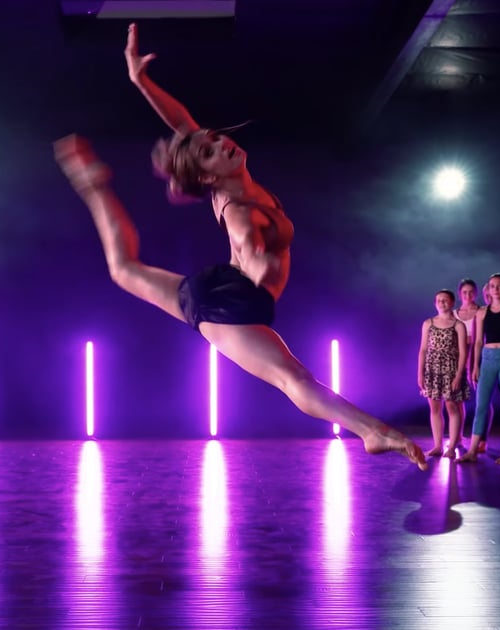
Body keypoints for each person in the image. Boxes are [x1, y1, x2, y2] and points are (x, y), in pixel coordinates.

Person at [52, 24, 427, 470]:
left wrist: (141, 80)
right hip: (233, 303)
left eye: (215, 138)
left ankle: (93, 187)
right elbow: (247, 243)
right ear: (208, 175)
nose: (222, 144)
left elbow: (182, 123)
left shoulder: (225, 181)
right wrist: (257, 261)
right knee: (292, 377)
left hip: (220, 288)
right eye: (211, 151)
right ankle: (373, 431)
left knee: (124, 269)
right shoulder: (237, 209)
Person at [457, 274, 500, 465]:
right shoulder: (481, 312)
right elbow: (478, 342)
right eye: (493, 286)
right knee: (481, 406)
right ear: (489, 289)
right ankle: (472, 450)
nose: (496, 289)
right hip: (487, 359)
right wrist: (475, 366)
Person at [418, 290, 469, 458]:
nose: (442, 303)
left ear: (452, 303)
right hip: (432, 370)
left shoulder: (458, 325)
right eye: (439, 300)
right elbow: (423, 350)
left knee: (452, 407)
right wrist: (420, 374)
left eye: (445, 300)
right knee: (434, 408)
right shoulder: (428, 323)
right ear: (435, 303)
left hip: (450, 369)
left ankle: (452, 446)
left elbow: (463, 352)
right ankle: (437, 446)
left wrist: (458, 375)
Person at [452, 278, 479, 446]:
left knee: (482, 400)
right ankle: (459, 436)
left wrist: (468, 341)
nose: (468, 295)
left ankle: (481, 438)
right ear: (459, 294)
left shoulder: (481, 311)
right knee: (457, 400)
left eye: (471, 292)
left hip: (477, 358)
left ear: (476, 293)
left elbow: (481, 338)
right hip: (457, 360)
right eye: (464, 292)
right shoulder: (454, 314)